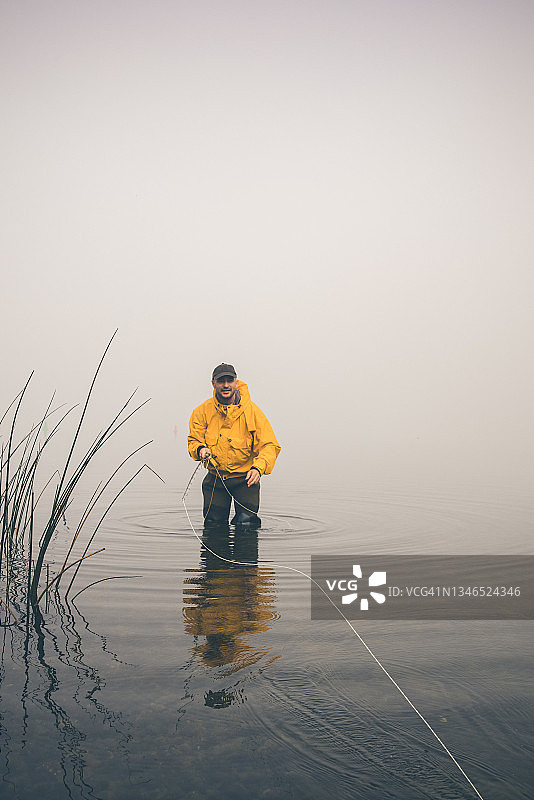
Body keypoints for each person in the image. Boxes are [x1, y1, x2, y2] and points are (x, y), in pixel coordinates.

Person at [188, 363, 281, 527]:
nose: (225, 385)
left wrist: (258, 468)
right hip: (215, 479)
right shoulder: (201, 412)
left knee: (247, 524)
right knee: (213, 524)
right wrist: (201, 449)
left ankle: (245, 552)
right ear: (213, 383)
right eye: (221, 381)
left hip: (246, 479)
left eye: (229, 380)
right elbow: (194, 440)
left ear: (236, 382)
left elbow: (269, 445)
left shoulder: (253, 412)